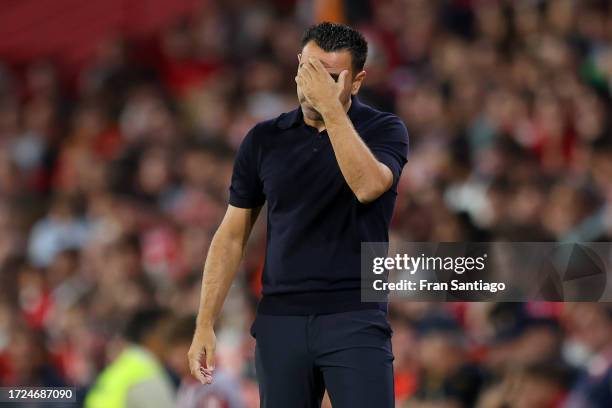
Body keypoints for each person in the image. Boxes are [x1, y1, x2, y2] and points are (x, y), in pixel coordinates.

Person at [188, 22, 409, 408]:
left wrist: (331, 109)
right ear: (296, 65)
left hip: (354, 316)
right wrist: (205, 321)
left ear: (356, 82)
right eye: (309, 70)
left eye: (331, 77)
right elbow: (232, 235)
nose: (315, 85)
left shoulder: (384, 129)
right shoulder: (263, 139)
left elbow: (369, 185)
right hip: (280, 321)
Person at [85, 308, 176, 408]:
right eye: (170, 333)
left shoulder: (121, 367)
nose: (175, 340)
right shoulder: (146, 373)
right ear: (152, 336)